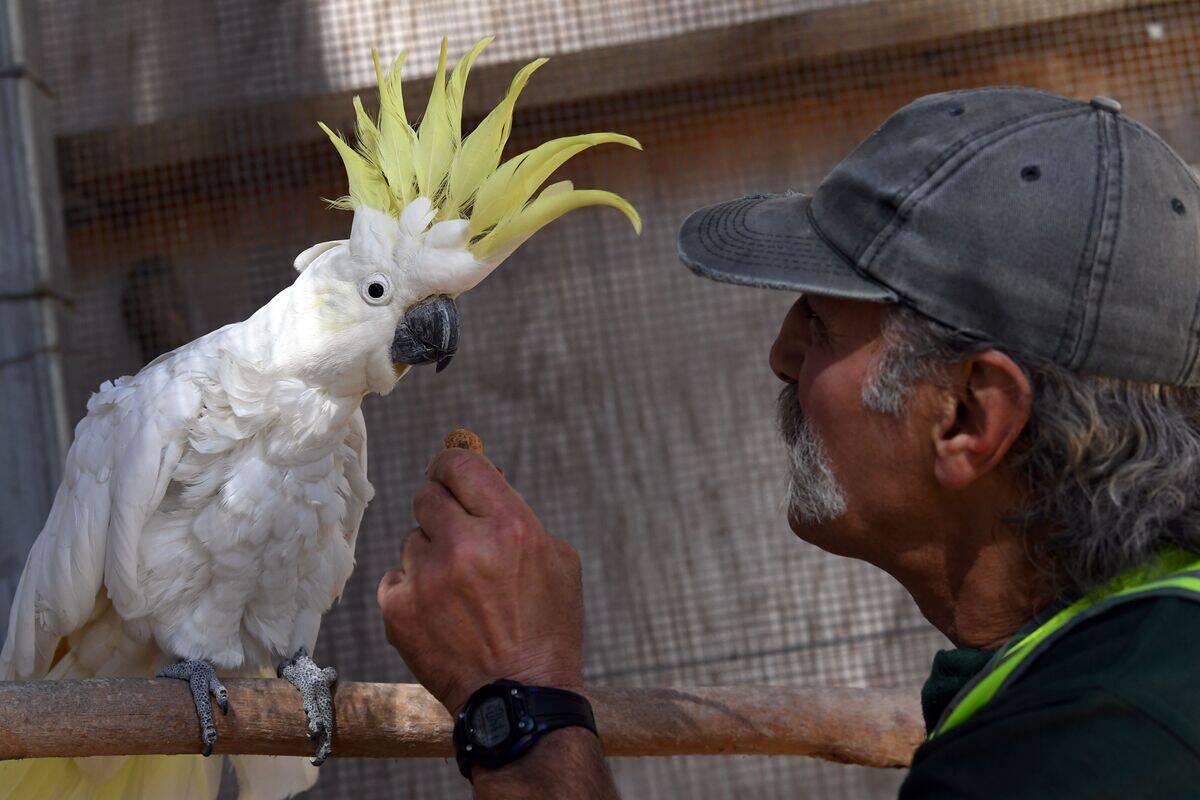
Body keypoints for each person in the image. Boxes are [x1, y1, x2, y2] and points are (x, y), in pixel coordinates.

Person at [376, 86, 1200, 798]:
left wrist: (520, 710)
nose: (781, 354)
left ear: (969, 418)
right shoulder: (1128, 668)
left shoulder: (1094, 754)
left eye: (819, 321)